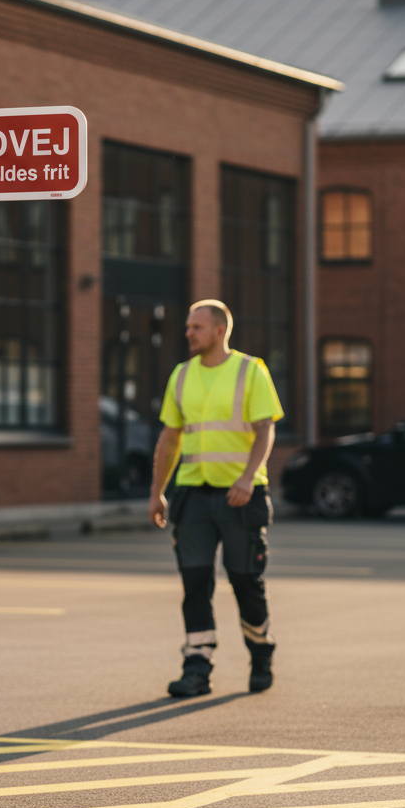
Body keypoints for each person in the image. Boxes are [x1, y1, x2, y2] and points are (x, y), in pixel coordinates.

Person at [148, 299, 283, 697]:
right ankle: (197, 667)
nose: (188, 333)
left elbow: (264, 431)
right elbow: (170, 437)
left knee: (245, 583)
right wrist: (157, 491)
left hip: (241, 497)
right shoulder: (182, 375)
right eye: (188, 326)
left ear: (219, 330)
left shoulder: (250, 371)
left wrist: (246, 478)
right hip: (192, 496)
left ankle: (260, 650)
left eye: (196, 327)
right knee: (195, 583)